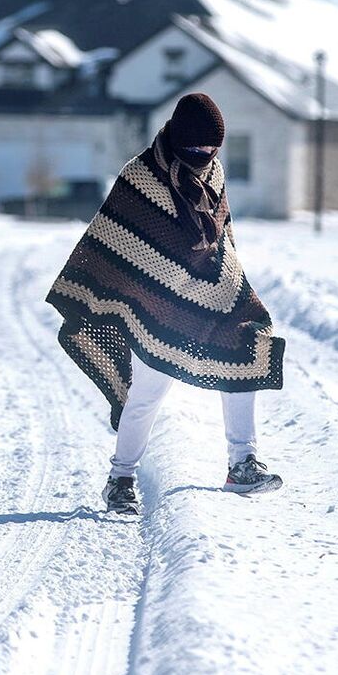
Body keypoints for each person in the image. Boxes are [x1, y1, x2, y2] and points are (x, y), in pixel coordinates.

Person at [45, 93, 286, 515]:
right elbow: (116, 238)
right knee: (147, 394)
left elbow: (221, 236)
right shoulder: (141, 174)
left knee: (247, 348)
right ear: (178, 139)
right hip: (153, 303)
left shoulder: (214, 172)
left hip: (211, 293)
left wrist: (226, 279)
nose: (205, 156)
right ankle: (121, 479)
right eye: (197, 149)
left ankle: (242, 464)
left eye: (213, 150)